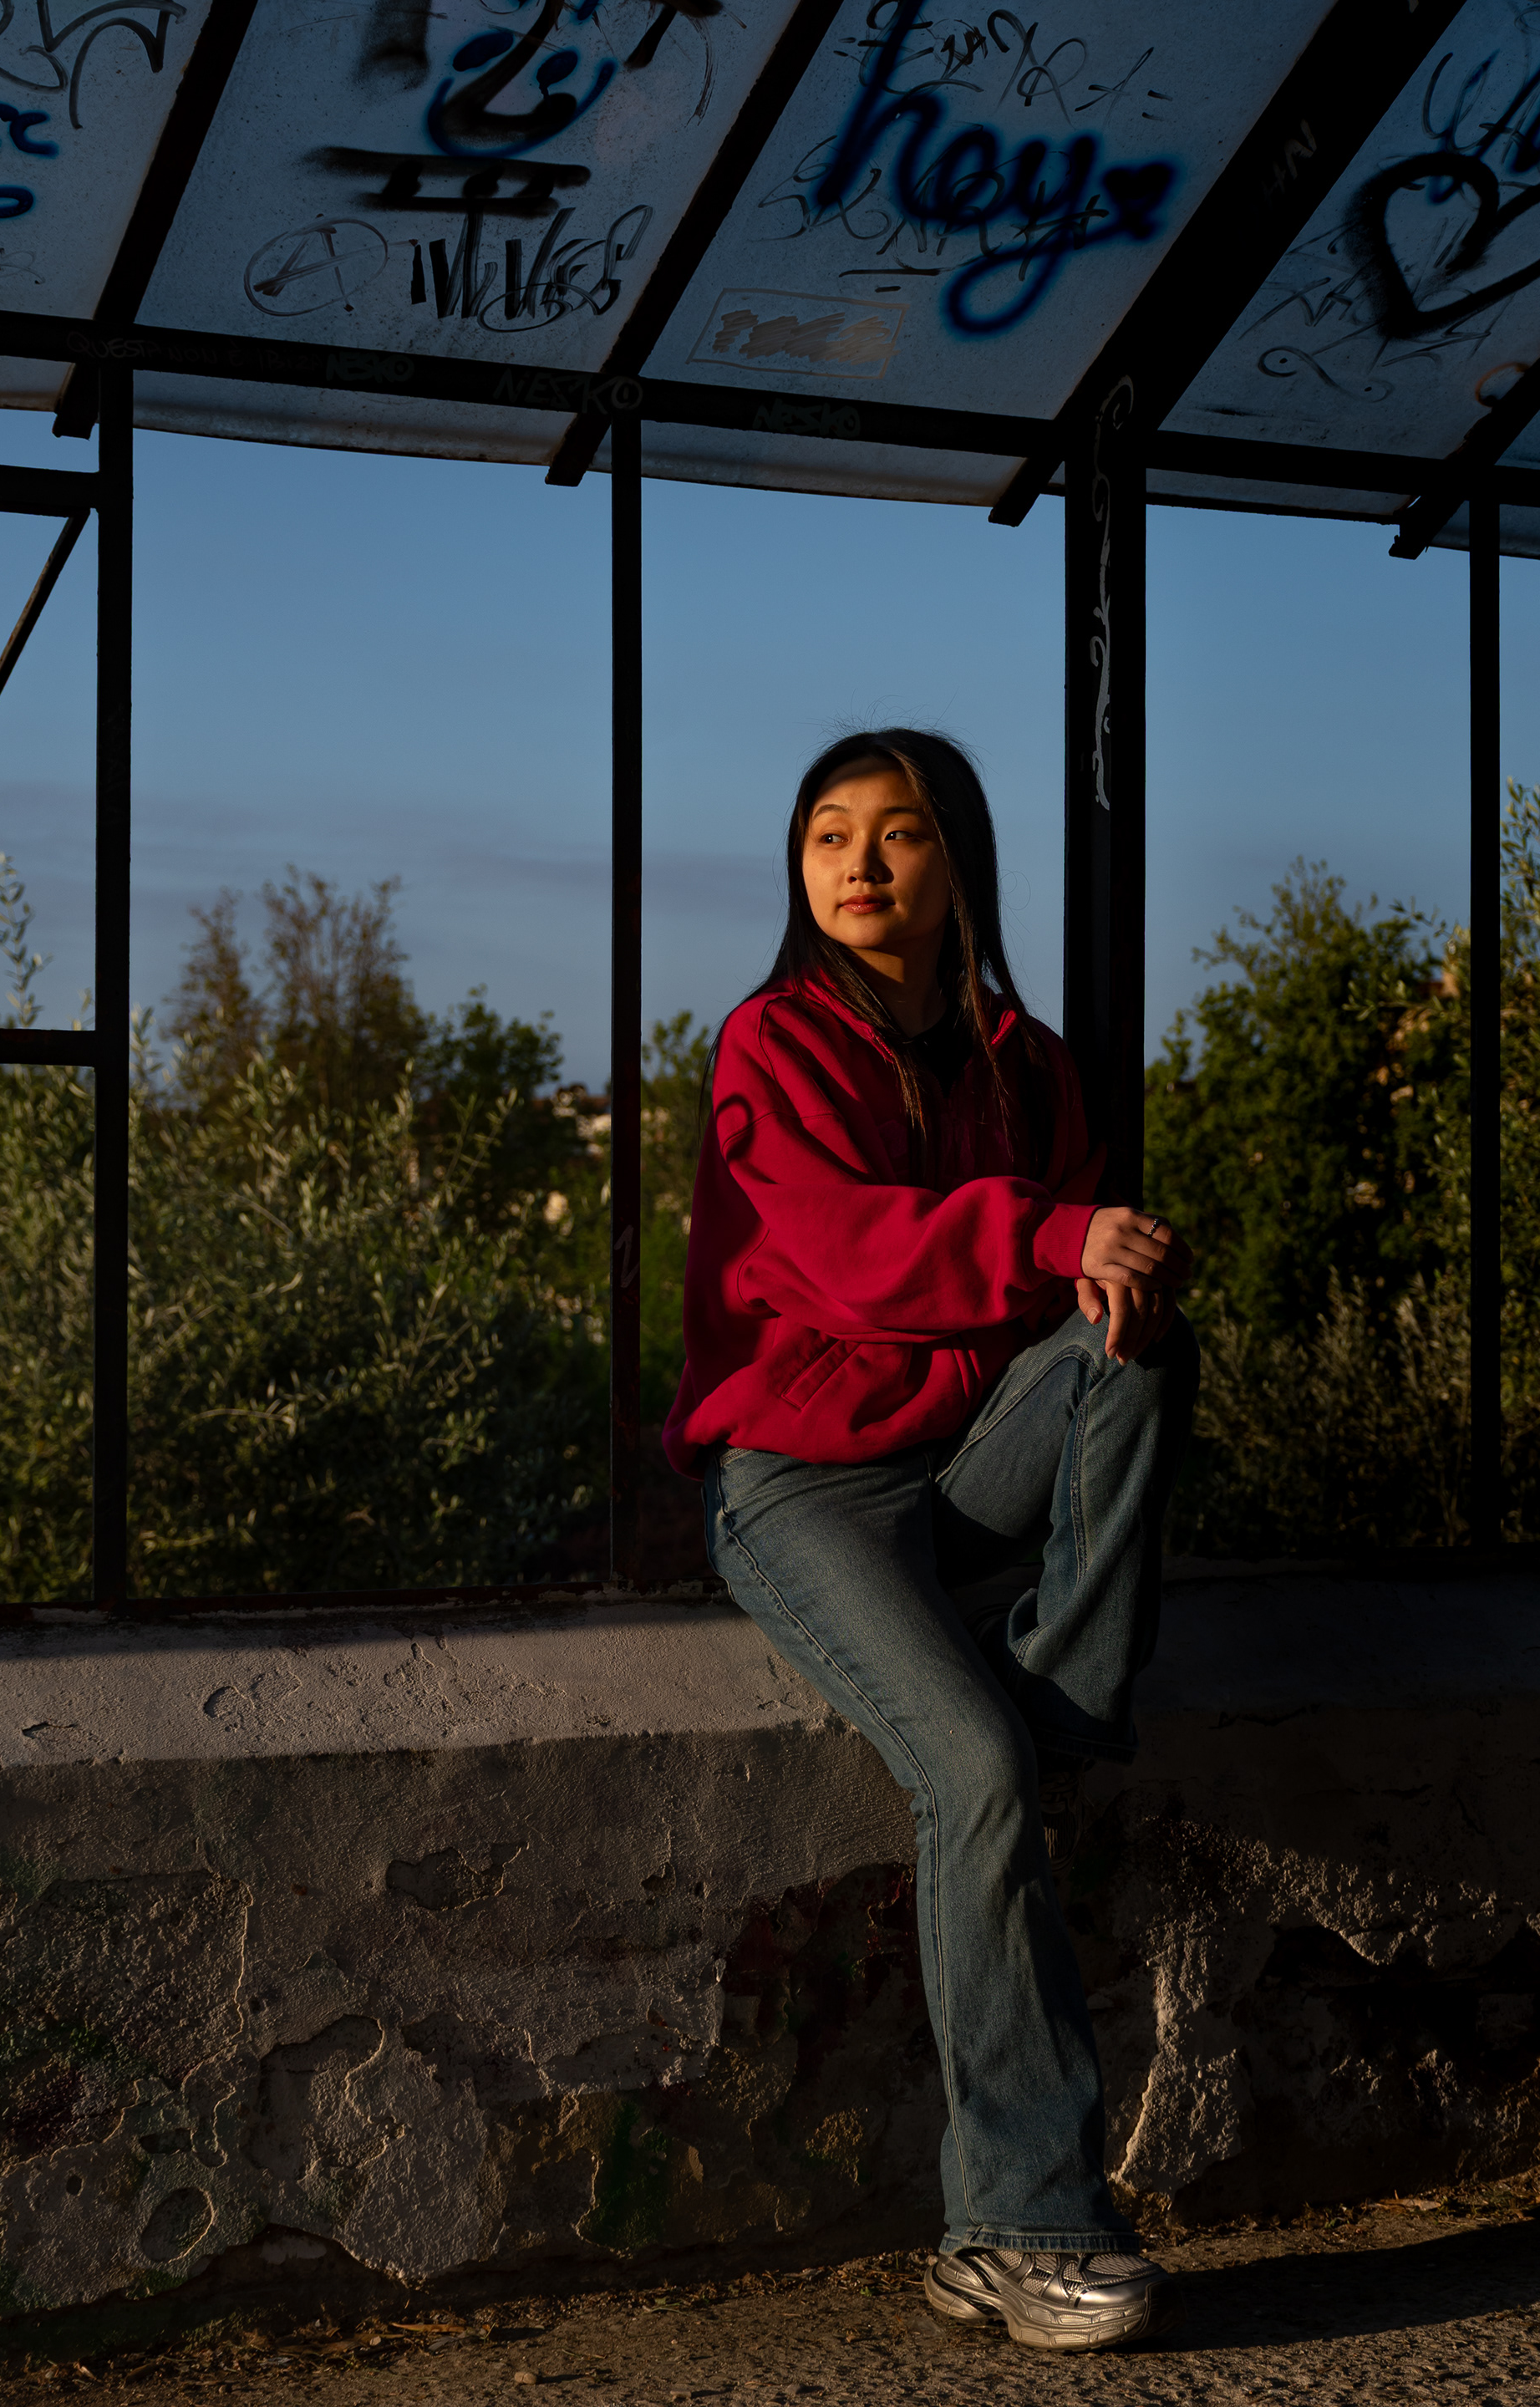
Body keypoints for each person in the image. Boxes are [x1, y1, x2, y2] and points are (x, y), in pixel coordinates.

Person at [663, 729, 1199, 2354]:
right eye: (829, 833)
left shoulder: (1030, 1068)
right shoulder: (770, 1043)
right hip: (802, 1490)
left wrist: (1112, 1269)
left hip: (963, 1470)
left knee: (1134, 1343)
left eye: (898, 833)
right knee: (972, 1775)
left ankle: (1063, 1700)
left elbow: (1071, 1286)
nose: (860, 863)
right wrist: (1050, 1233)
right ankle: (1019, 2229)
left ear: (958, 861)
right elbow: (837, 1253)